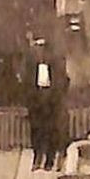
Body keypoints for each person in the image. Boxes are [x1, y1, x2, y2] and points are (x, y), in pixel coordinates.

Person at [29, 41, 60, 171]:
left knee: (50, 130)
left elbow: (61, 81)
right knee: (36, 130)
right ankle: (37, 157)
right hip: (37, 101)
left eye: (43, 49)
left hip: (50, 102)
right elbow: (27, 84)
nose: (41, 53)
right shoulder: (31, 67)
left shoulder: (55, 65)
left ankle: (49, 160)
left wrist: (54, 96)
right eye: (38, 49)